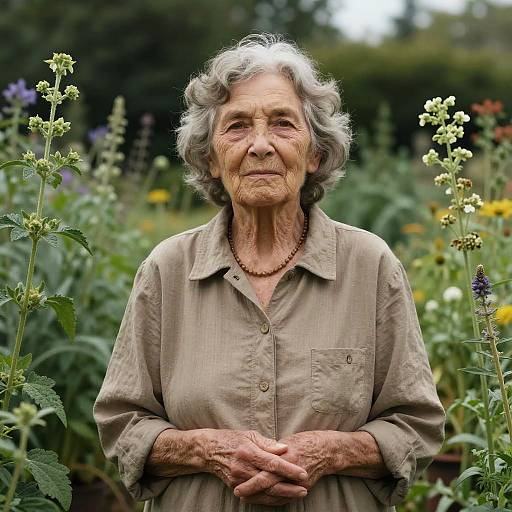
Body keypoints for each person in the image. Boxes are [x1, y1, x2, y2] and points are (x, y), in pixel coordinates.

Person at [93, 33, 445, 511]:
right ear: (211, 158)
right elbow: (121, 424)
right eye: (237, 126)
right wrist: (208, 450)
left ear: (315, 153)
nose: (260, 145)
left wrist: (330, 452)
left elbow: (416, 426)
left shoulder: (370, 264)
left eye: (283, 124)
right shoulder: (167, 270)